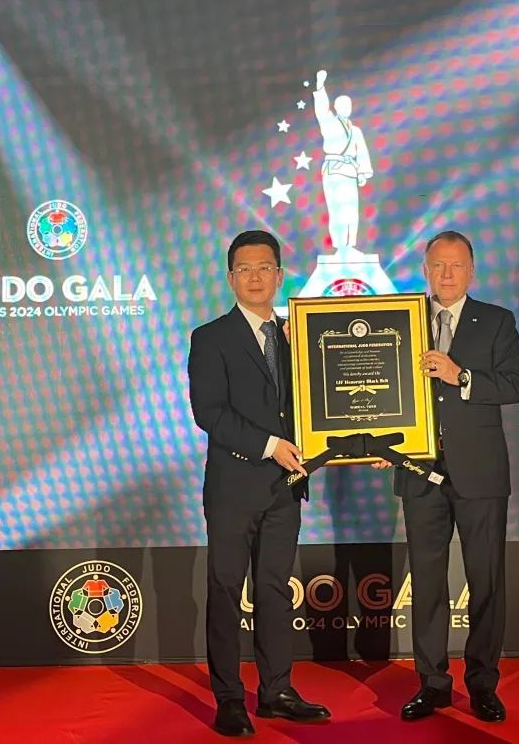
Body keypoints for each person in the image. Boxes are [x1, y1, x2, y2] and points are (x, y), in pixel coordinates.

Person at [188, 229, 331, 736]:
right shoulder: (210, 337)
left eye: (264, 268)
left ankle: (276, 692)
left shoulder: (299, 335)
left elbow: (321, 401)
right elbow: (210, 413)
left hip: (284, 487)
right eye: (244, 269)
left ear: (279, 275)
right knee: (226, 590)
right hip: (233, 487)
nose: (255, 277)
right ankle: (229, 698)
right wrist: (270, 445)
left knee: (274, 590)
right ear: (231, 278)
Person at [385, 230, 519, 723]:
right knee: (427, 584)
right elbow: (382, 390)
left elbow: (517, 385)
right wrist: (382, 442)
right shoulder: (401, 321)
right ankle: (432, 684)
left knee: (486, 581)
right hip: (418, 471)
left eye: (456, 265)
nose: (446, 274)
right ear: (425, 270)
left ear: (471, 271)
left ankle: (483, 685)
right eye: (438, 265)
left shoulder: (496, 321)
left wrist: (461, 376)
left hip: (480, 473)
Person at [313, 69, 373, 254]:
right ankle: (340, 245)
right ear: (337, 107)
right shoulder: (330, 123)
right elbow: (321, 110)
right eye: (343, 105)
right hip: (334, 170)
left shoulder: (356, 131)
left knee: (351, 210)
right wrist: (320, 87)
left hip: (350, 171)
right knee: (337, 210)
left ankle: (350, 244)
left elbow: (361, 152)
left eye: (349, 105)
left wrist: (362, 173)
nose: (347, 108)